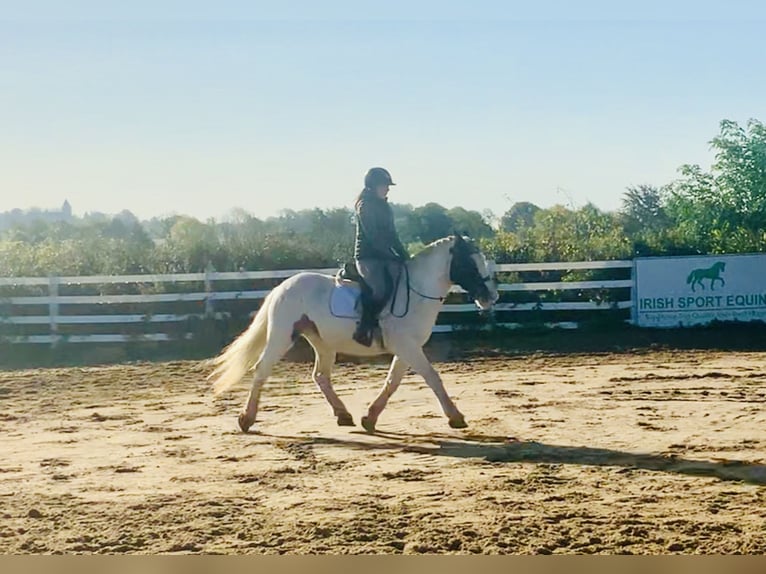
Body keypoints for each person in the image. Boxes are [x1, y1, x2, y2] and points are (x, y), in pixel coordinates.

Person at [352, 167, 409, 346]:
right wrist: (391, 255)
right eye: (385, 185)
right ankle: (364, 329)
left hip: (384, 256)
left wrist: (405, 256)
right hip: (367, 257)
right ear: (372, 186)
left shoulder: (385, 206)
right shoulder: (365, 205)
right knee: (380, 289)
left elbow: (392, 235)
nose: (388, 189)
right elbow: (373, 236)